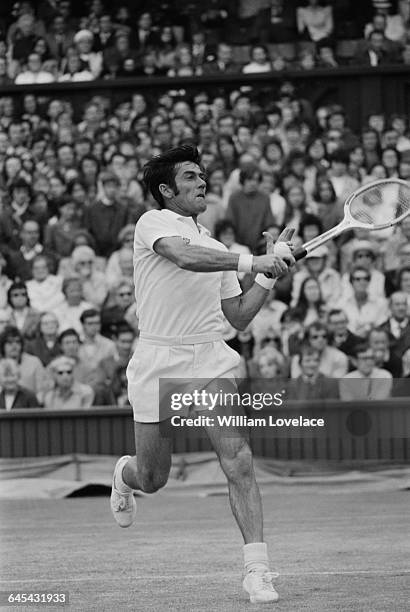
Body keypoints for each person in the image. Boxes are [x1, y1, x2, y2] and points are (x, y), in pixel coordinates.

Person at [110, 145, 295, 604]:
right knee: (153, 477)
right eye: (190, 177)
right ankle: (124, 476)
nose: (202, 182)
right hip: (158, 359)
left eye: (202, 175)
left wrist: (271, 274)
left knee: (238, 458)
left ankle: (257, 569)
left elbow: (237, 316)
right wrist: (254, 262)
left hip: (210, 359)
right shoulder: (151, 224)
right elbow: (185, 257)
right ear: (166, 190)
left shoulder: (216, 245)